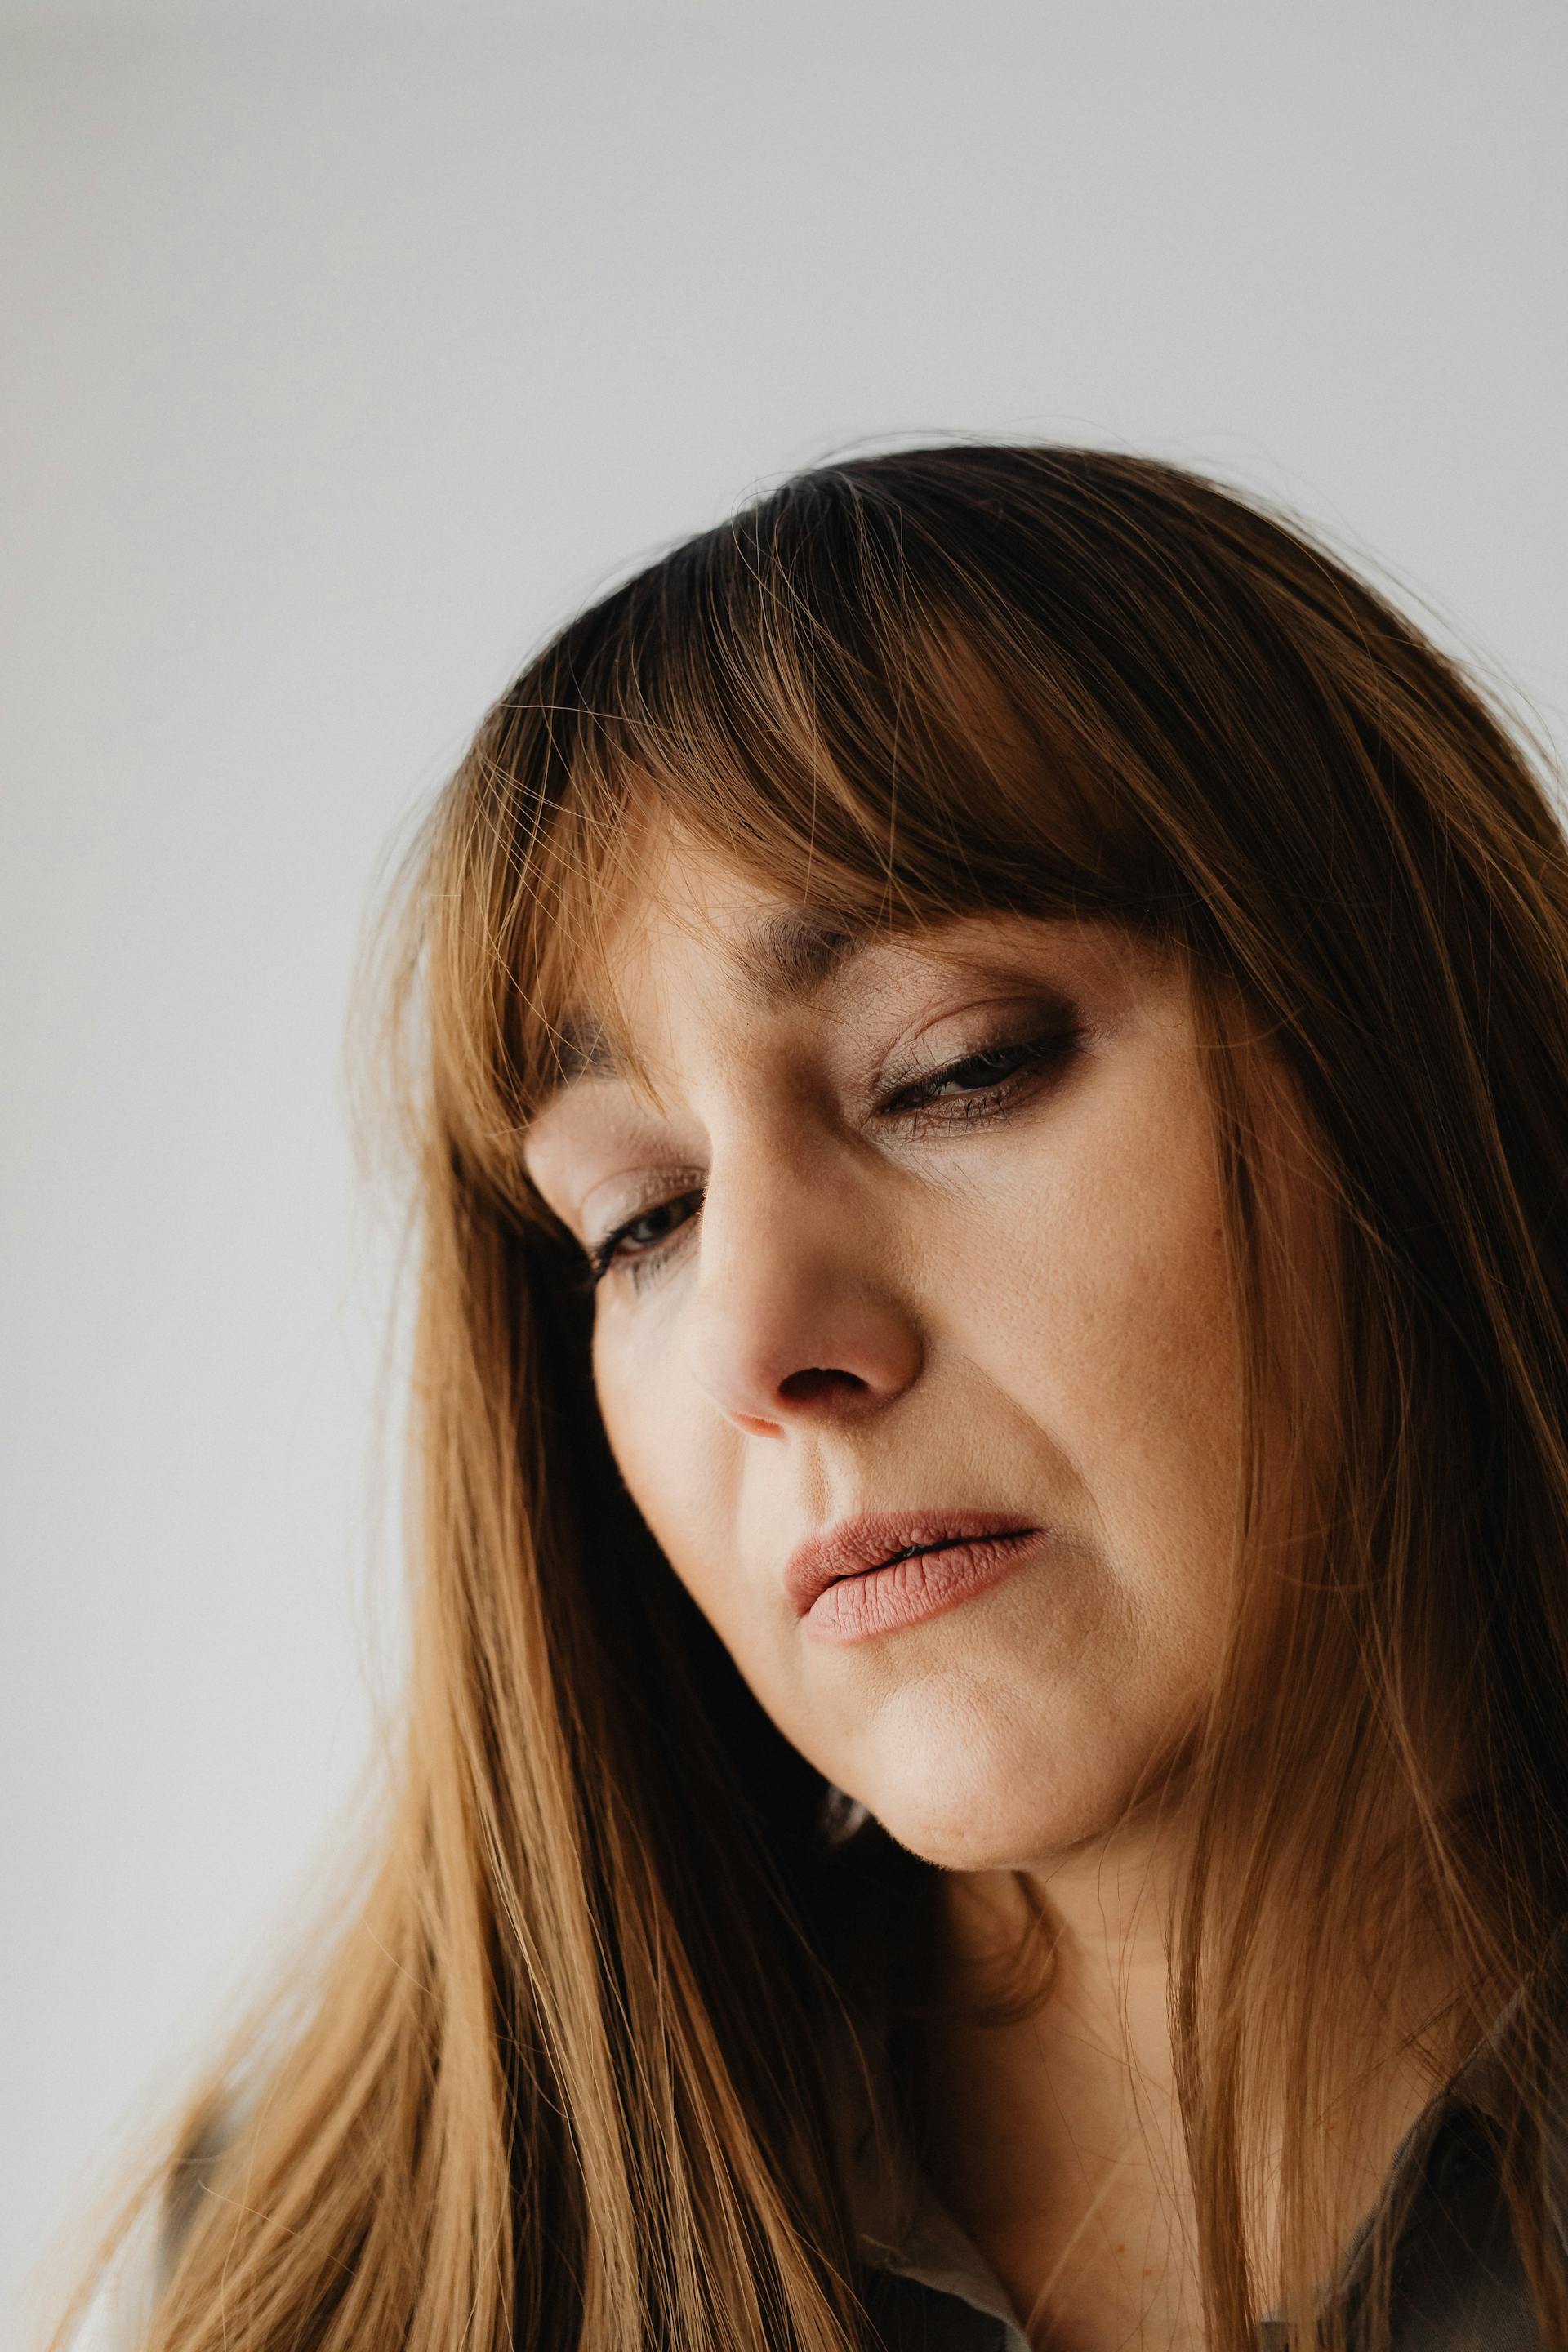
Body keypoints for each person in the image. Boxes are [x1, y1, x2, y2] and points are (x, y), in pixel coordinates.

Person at [57, 445, 1568, 2352]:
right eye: (643, 1219)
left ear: (1417, 1070)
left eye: (953, 1070)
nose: (759, 1341)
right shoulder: (358, 2272)